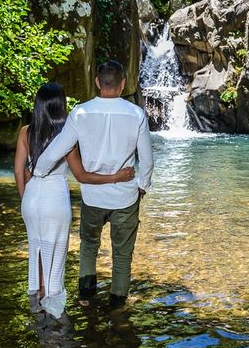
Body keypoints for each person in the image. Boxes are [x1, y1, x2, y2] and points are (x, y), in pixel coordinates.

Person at [33, 60, 154, 309]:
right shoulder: (136, 114)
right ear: (122, 84)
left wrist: (39, 171)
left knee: (89, 247)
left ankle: (86, 298)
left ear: (97, 83)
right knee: (122, 255)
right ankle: (118, 304)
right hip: (125, 197)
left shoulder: (80, 112)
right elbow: (148, 159)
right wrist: (143, 186)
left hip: (93, 197)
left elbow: (59, 147)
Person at [13, 82, 135, 318]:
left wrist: (25, 199)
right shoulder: (66, 136)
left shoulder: (26, 132)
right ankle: (54, 315)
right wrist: (116, 177)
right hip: (54, 200)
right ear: (60, 106)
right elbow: (81, 175)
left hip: (31, 197)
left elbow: (20, 171)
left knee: (37, 250)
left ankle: (37, 303)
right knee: (56, 252)